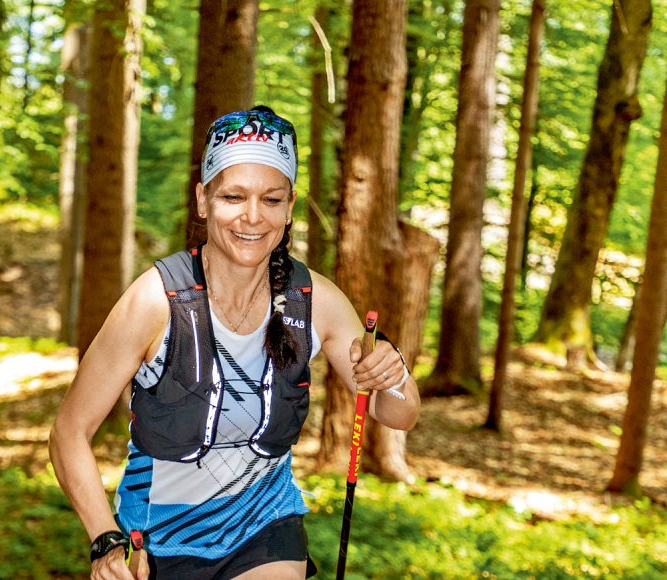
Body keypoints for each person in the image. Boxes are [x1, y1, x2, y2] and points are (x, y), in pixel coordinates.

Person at [49, 106, 420, 580]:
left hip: (266, 528)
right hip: (159, 540)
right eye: (233, 196)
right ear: (203, 200)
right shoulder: (155, 300)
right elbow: (68, 432)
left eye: (271, 199)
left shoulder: (314, 300)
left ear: (289, 208)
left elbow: (399, 414)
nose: (252, 217)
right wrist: (105, 540)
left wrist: (392, 374)